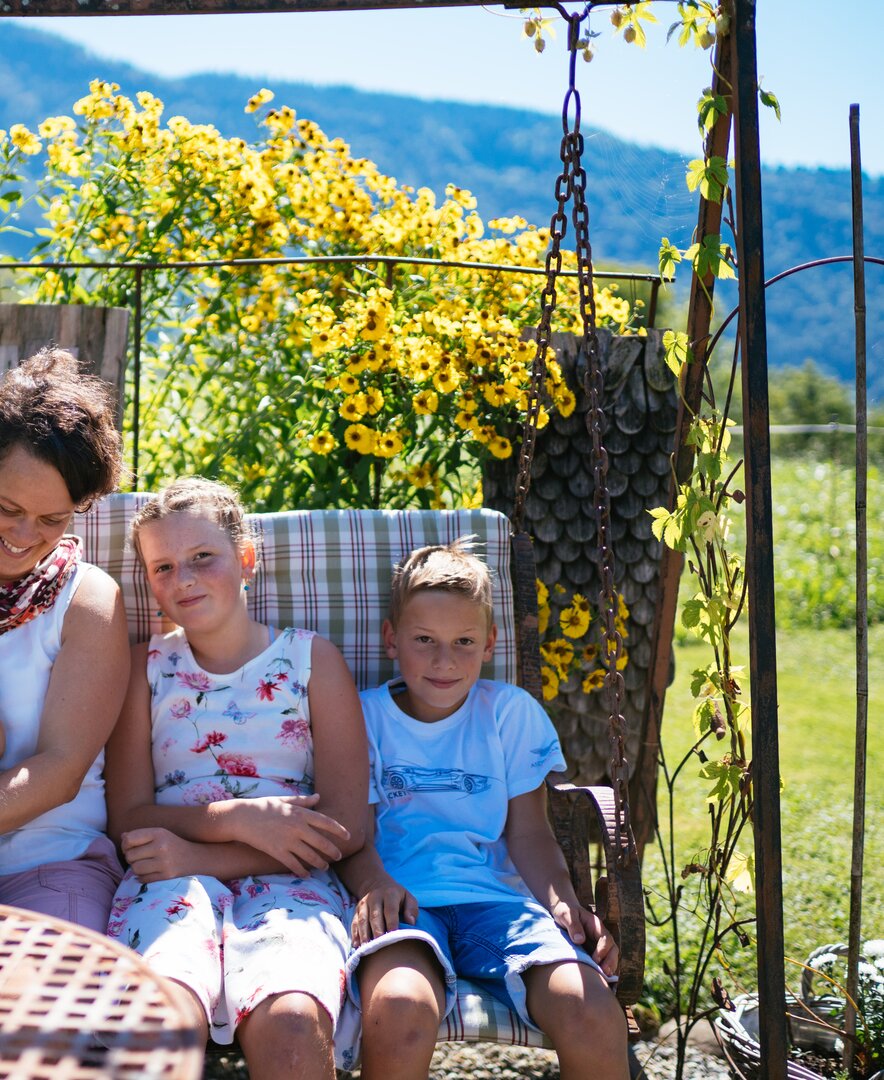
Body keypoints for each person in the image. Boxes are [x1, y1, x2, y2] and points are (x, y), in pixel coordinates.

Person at [104, 477, 368, 1080]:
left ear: (246, 558)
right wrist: (239, 819)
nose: (185, 579)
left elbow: (348, 827)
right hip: (169, 886)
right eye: (163, 567)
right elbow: (129, 819)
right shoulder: (144, 668)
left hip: (288, 884)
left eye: (203, 558)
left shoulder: (311, 660)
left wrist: (204, 853)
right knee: (160, 1017)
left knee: (294, 1025)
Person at [341, 538, 630, 1080]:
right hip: (402, 904)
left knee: (590, 1007)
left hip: (497, 904)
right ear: (390, 639)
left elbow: (529, 833)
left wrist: (563, 901)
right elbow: (351, 833)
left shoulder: (509, 714)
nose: (443, 660)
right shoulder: (364, 717)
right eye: (424, 639)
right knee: (401, 1008)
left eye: (463, 641)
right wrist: (372, 884)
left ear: (490, 643)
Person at [0, 347, 129, 931]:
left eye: (53, 519)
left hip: (47, 863)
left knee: (42, 1017)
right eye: (7, 508)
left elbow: (61, 769)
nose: (26, 536)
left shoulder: (86, 600)